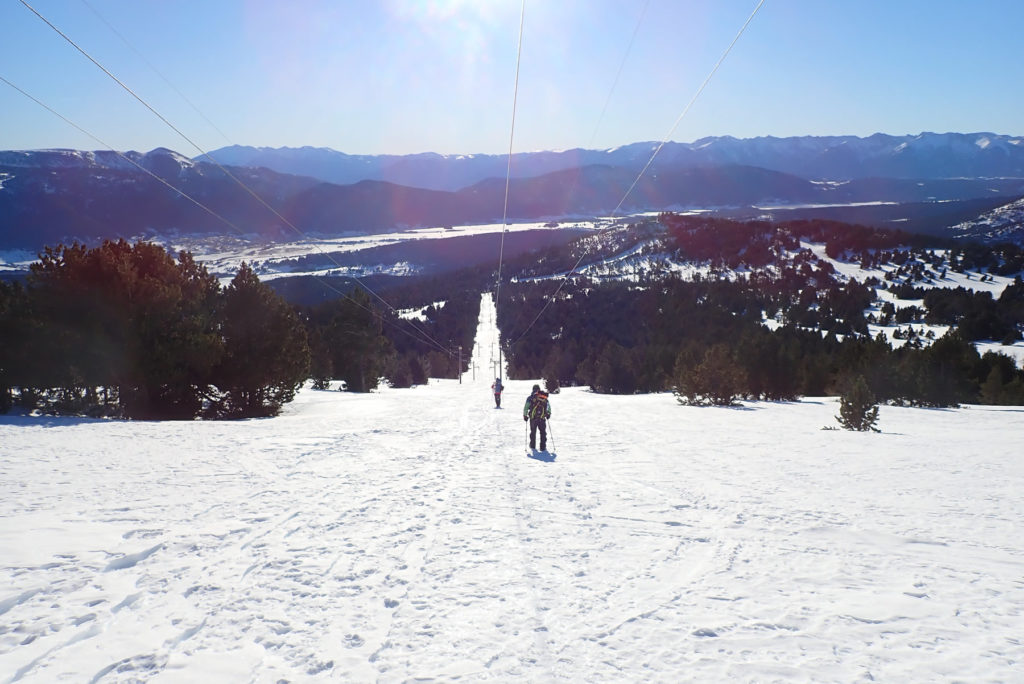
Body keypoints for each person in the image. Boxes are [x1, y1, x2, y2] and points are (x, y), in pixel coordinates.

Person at [523, 384, 552, 451]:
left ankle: (532, 446)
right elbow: (548, 406)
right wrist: (548, 414)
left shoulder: (530, 398)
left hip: (533, 418)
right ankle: (543, 447)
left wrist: (525, 415)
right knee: (543, 432)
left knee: (533, 432)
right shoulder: (544, 397)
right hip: (542, 418)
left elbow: (526, 407)